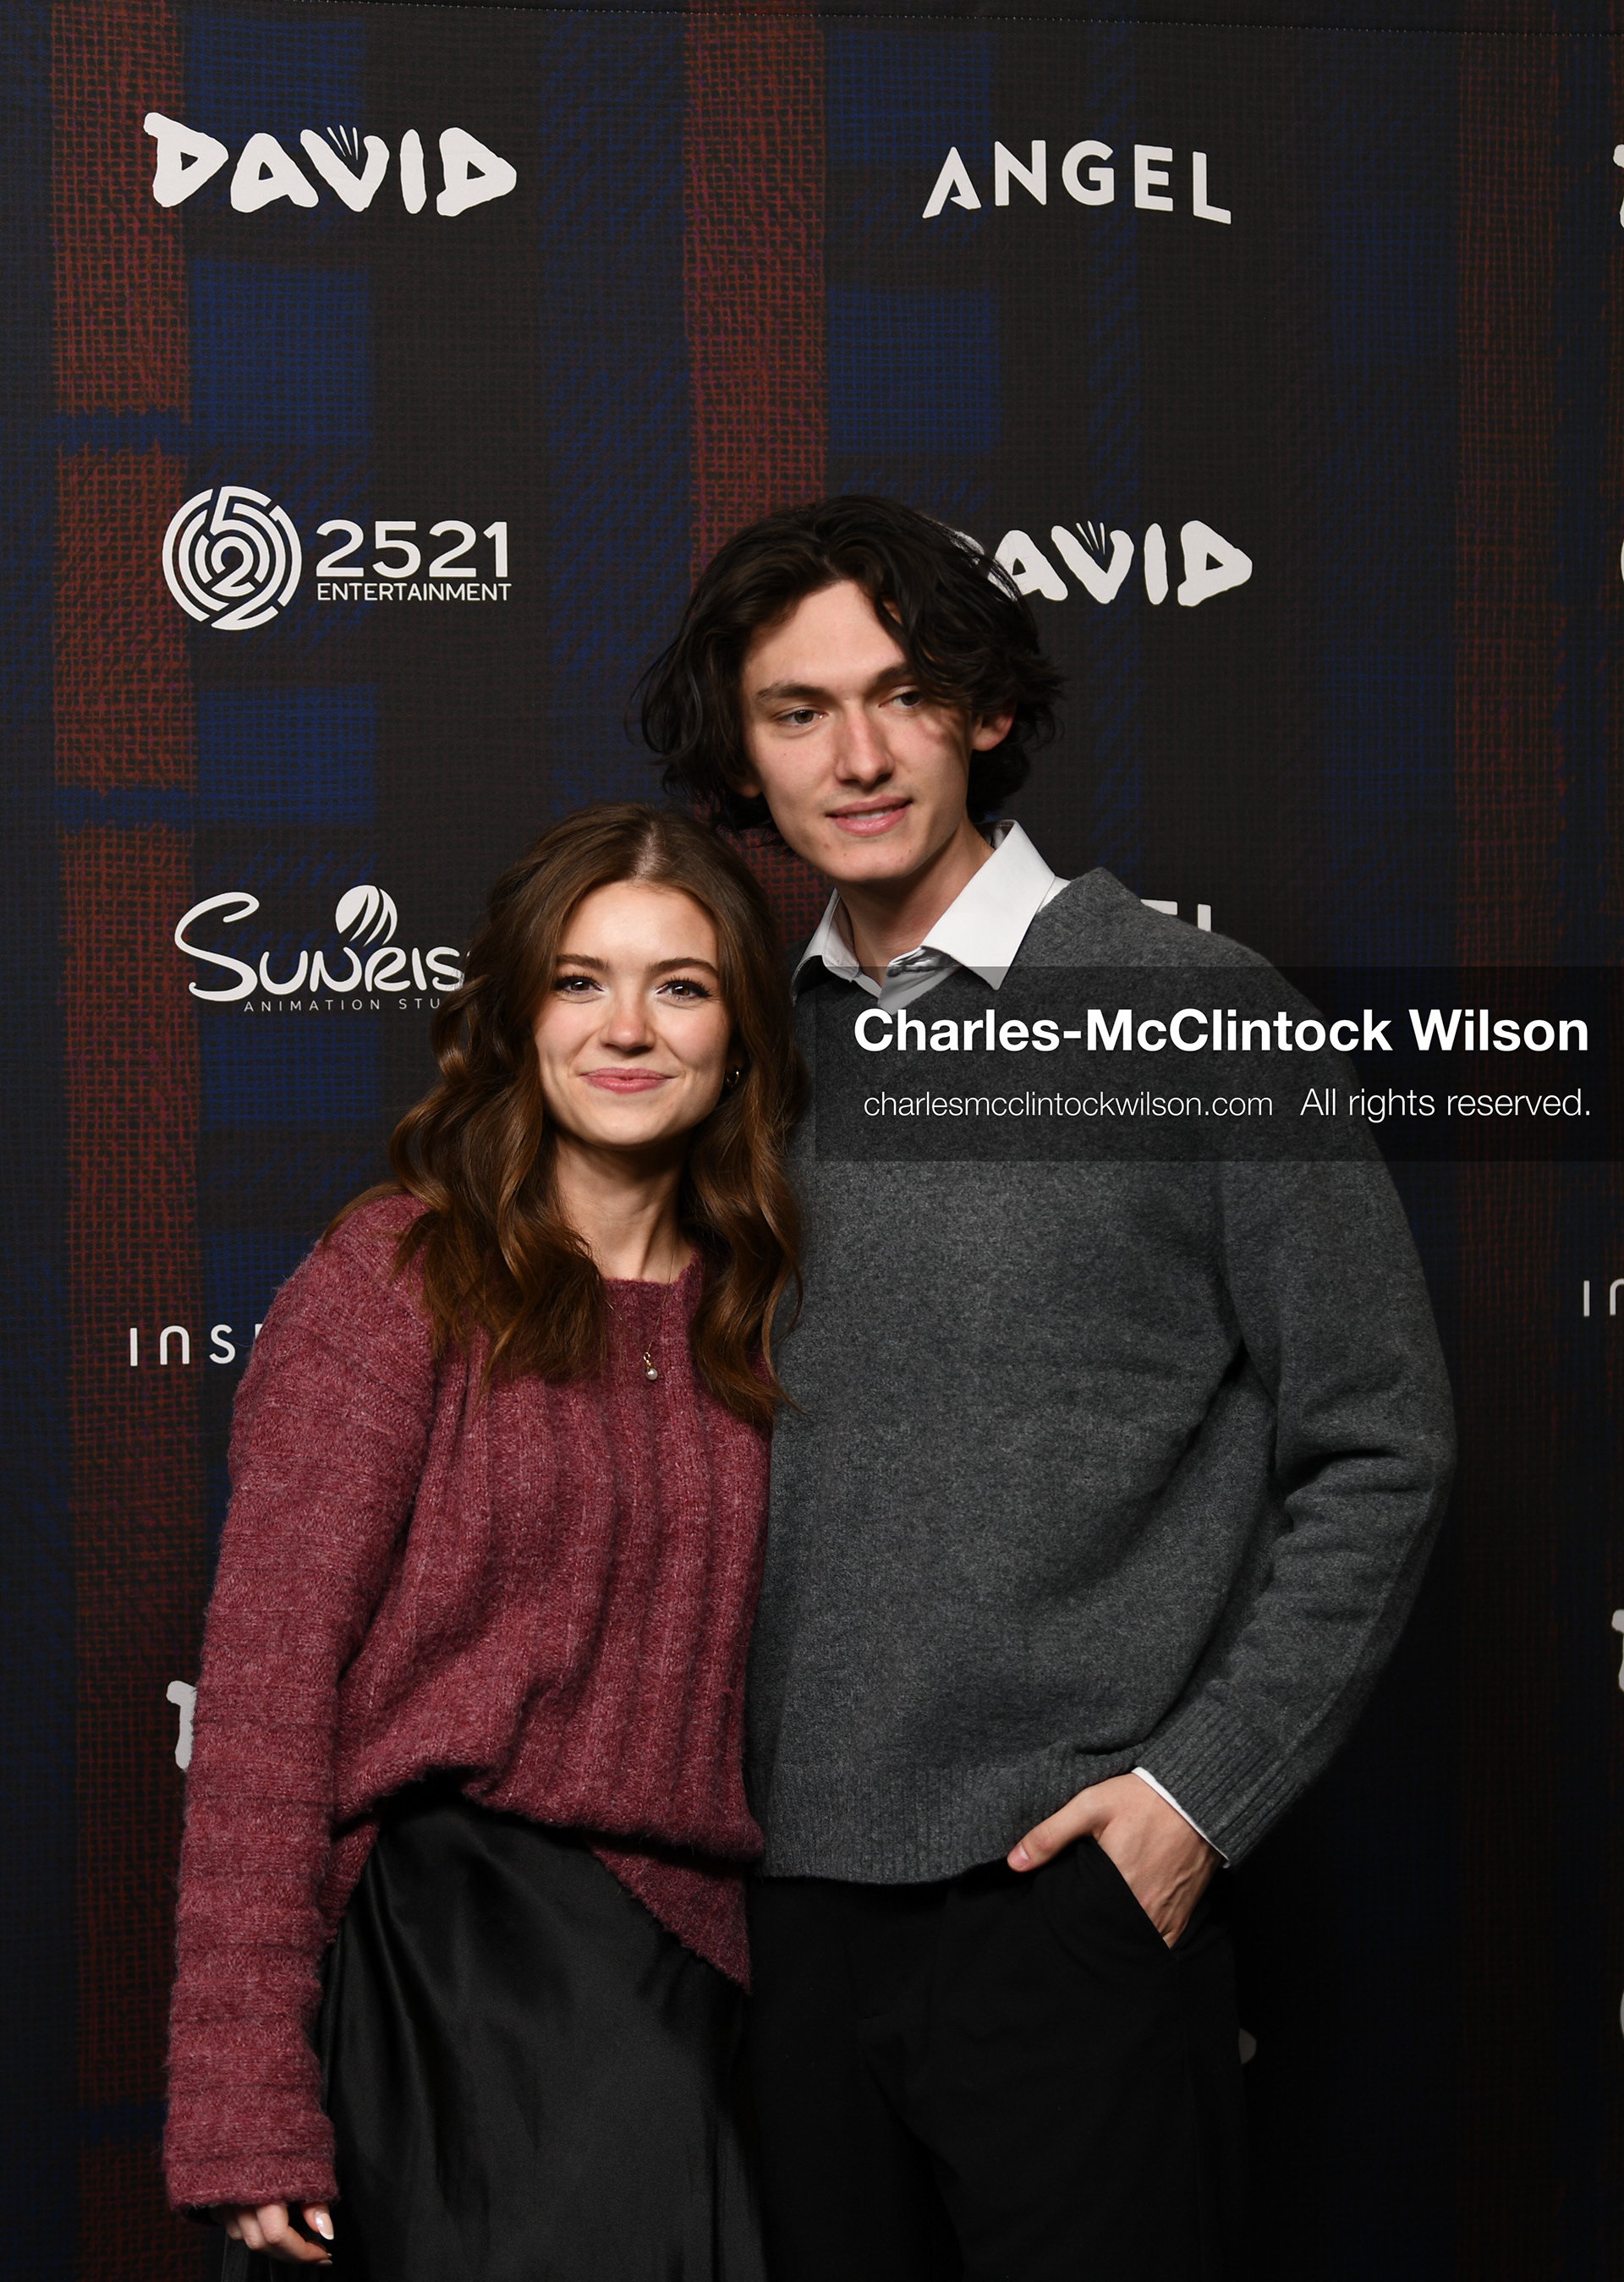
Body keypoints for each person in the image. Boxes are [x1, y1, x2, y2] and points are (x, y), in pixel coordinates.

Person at [640, 496, 1456, 2281]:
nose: (857, 754)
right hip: (772, 1916)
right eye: (798, 711)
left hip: (1062, 1905)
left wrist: (1188, 1811)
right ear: (744, 754)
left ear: (987, 712)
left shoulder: (1189, 1008)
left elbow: (1381, 1443)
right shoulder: (737, 1062)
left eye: (904, 692)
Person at [163, 801, 806, 2280]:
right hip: (452, 1966)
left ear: (741, 1033)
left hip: (704, 1972)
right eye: (580, 981)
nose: (627, 1028)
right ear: (517, 1018)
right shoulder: (397, 1281)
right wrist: (245, 2095)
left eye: (681, 984)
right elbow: (264, 1702)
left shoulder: (765, 1314)